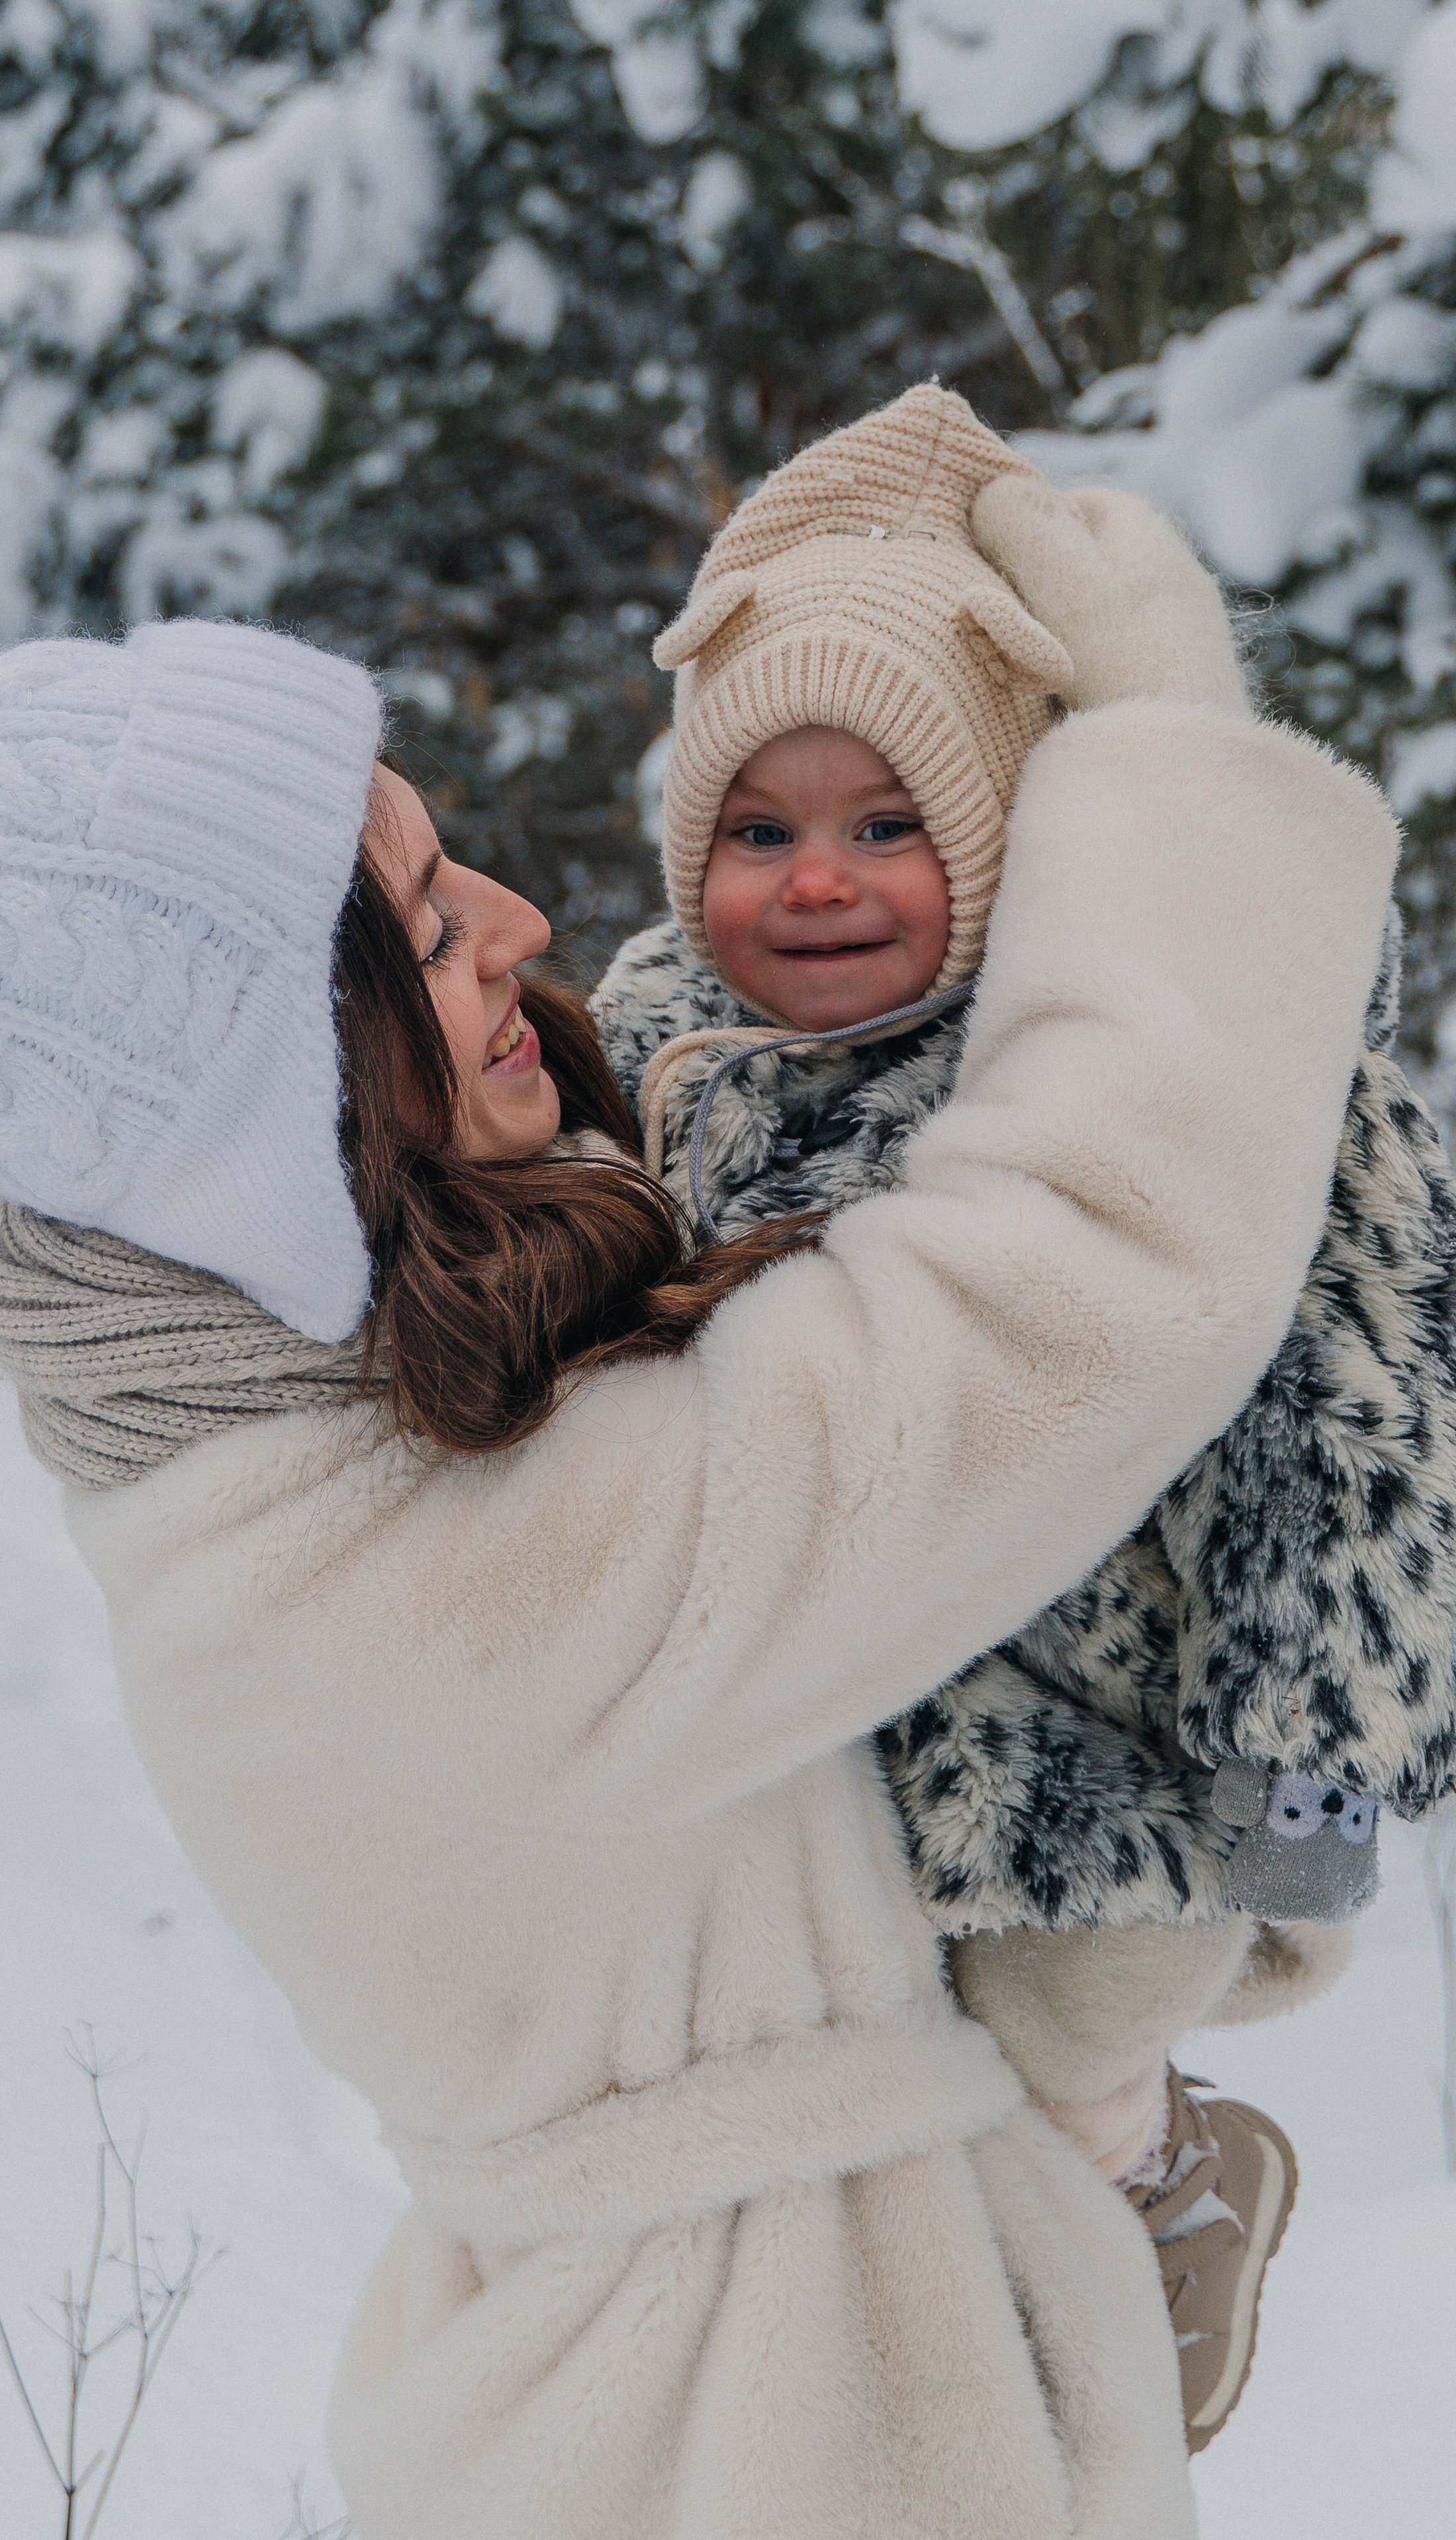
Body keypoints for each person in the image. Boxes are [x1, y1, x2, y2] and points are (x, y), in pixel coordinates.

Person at [0, 486, 1397, 2540]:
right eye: (440, 933)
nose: (520, 927)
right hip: (759, 2454)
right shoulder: (443, 1590)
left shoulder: (297, 1409)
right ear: (290, 1098)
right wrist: (1161, 739)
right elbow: (1080, 1286)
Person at [592, 386, 1456, 2445]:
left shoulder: (1117, 1074)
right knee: (867, 2135)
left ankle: (1162, 2185)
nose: (816, 884)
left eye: (887, 825)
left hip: (1112, 1708)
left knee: (1076, 2001)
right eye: (758, 831)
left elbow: (1351, 1403)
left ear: (989, 844)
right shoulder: (655, 1061)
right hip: (801, 1708)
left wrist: (1310, 1765)